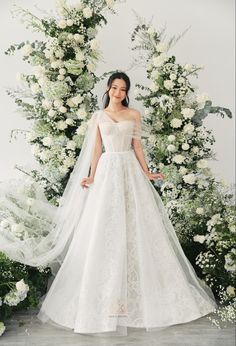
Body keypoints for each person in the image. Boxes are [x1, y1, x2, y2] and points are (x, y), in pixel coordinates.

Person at [0, 72, 217, 336]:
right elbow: (96, 149)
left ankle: (145, 299)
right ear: (108, 88)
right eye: (114, 87)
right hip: (107, 170)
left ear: (127, 92)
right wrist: (91, 175)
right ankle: (107, 302)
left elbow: (137, 147)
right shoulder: (98, 117)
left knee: (137, 226)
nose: (118, 92)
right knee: (104, 228)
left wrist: (147, 172)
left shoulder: (134, 114)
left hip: (129, 169)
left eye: (123, 89)